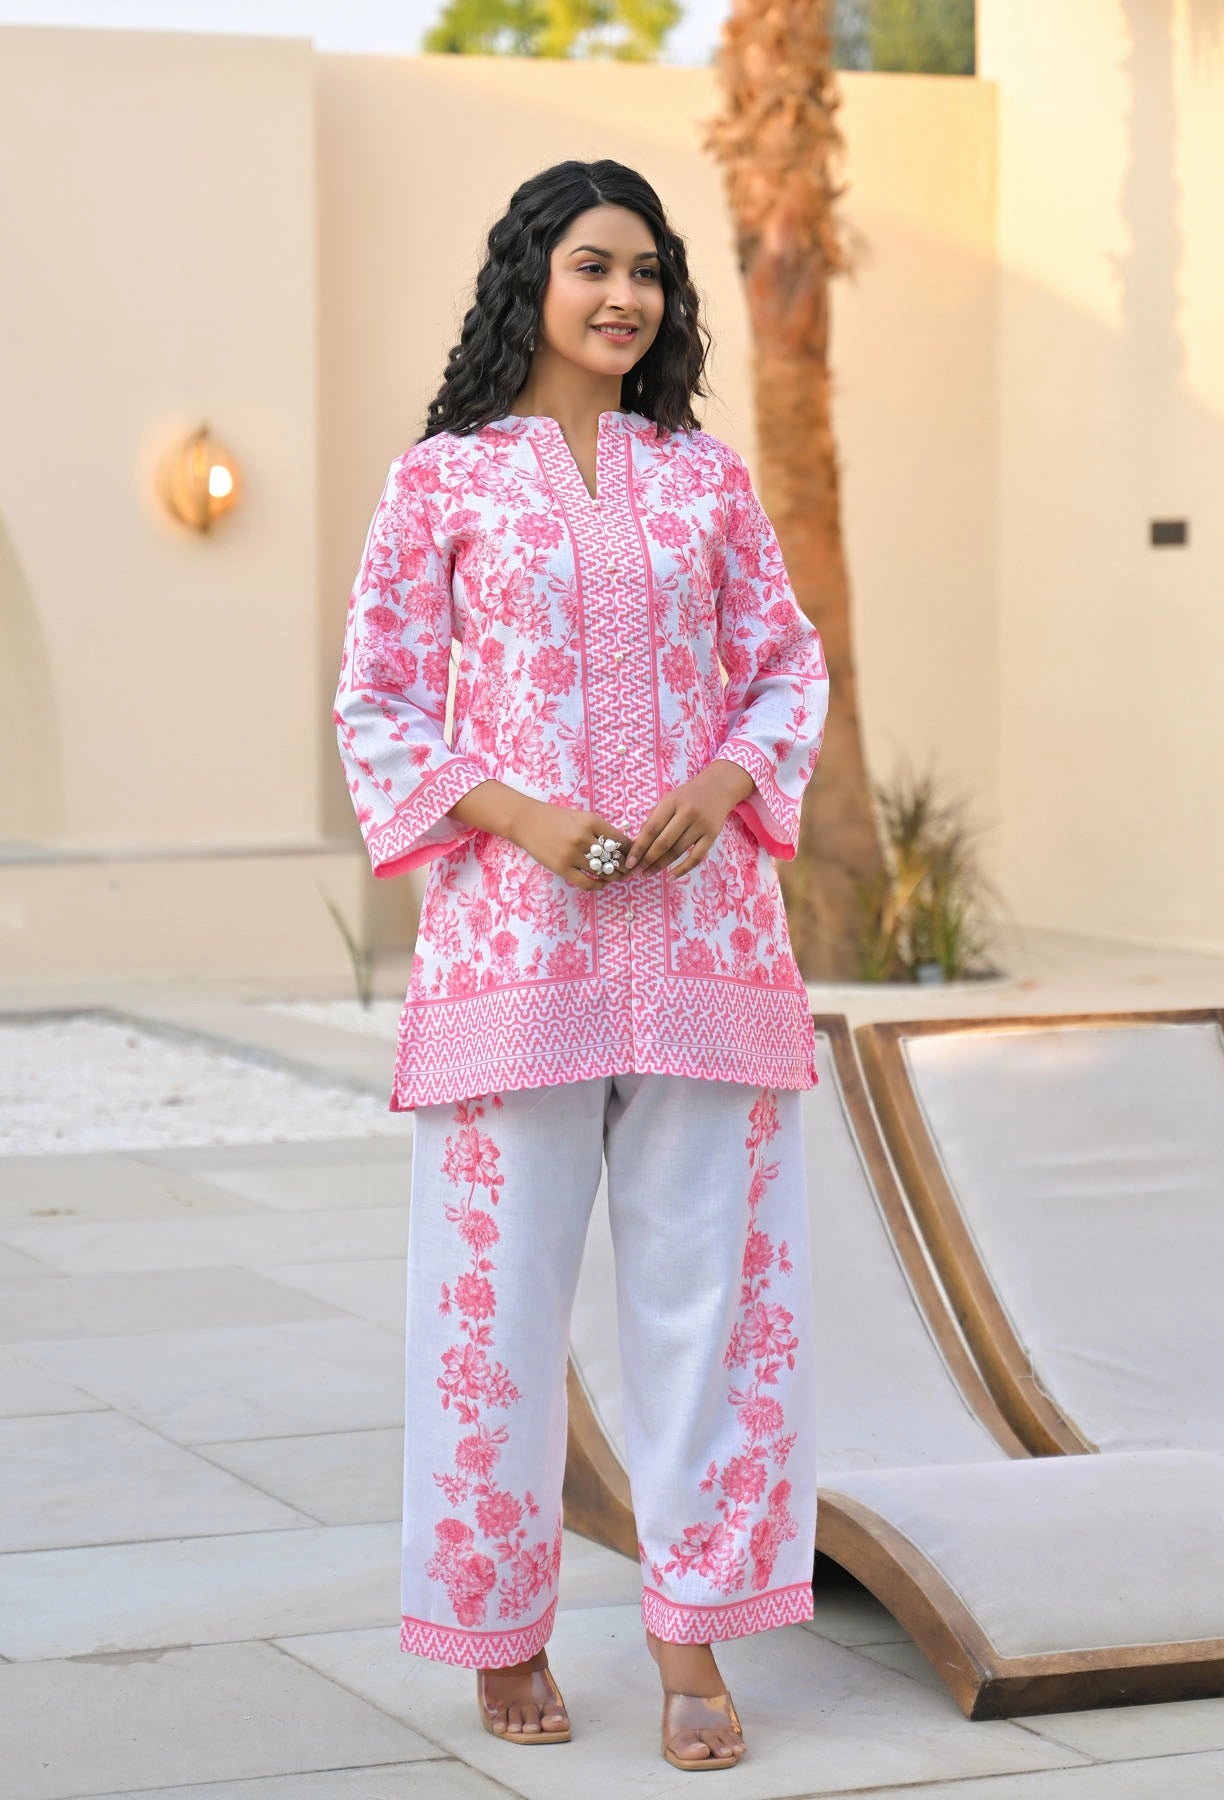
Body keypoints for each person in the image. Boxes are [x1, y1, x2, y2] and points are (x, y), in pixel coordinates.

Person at [334, 157, 830, 1772]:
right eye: (593, 265)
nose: (627, 297)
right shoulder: (441, 485)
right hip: (511, 954)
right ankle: (502, 1629)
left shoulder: (708, 481)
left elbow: (785, 668)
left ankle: (693, 1633)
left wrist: (726, 783)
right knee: (492, 1312)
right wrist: (523, 818)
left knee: (715, 1308)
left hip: (707, 952)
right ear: (530, 280)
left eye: (650, 272)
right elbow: (381, 704)